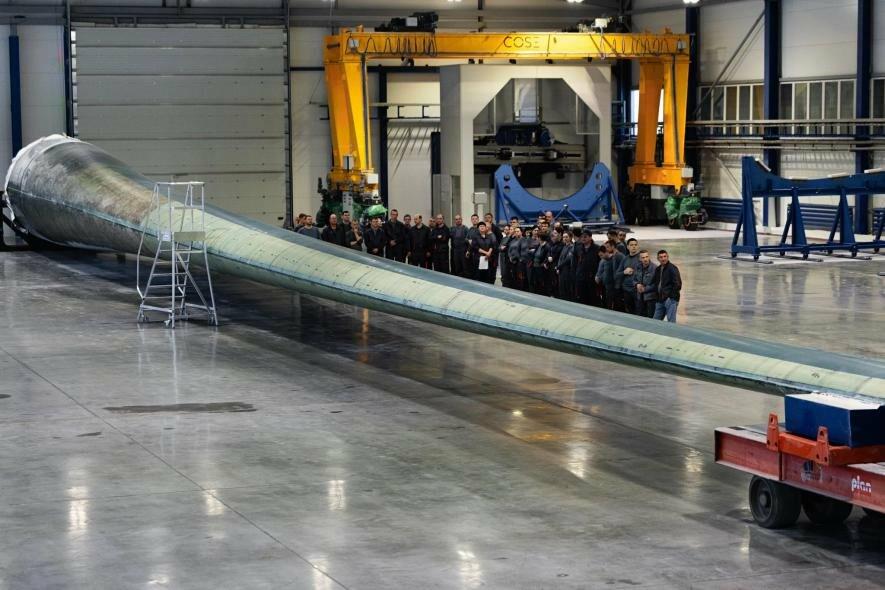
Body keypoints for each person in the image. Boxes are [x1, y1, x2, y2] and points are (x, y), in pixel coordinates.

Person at [652, 249, 682, 322]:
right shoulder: (658, 269)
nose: (663, 259)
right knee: (655, 321)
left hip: (670, 300)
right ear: (658, 259)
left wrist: (670, 297)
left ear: (668, 257)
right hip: (660, 299)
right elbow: (655, 283)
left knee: (671, 321)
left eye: (665, 256)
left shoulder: (672, 268)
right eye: (661, 257)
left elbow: (678, 284)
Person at [574, 230, 600, 306]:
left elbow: (600, 263)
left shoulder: (597, 248)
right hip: (580, 278)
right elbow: (576, 262)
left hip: (592, 279)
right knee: (581, 300)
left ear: (590, 237)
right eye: (582, 237)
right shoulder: (578, 248)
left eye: (585, 237)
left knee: (592, 300)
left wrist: (598, 275)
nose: (583, 238)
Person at [617, 238, 642, 314]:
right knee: (629, 312)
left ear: (638, 246)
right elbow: (617, 274)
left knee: (639, 312)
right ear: (627, 247)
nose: (634, 246)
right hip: (626, 291)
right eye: (631, 245)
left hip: (637, 291)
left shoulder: (642, 258)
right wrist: (624, 272)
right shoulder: (625, 259)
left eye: (635, 245)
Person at [634, 249, 657, 317]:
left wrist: (645, 289)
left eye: (647, 257)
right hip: (639, 297)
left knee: (650, 318)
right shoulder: (637, 267)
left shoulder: (655, 268)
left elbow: (657, 284)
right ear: (640, 259)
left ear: (649, 257)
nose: (645, 259)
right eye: (643, 257)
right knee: (640, 317)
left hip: (650, 298)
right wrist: (636, 284)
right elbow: (633, 279)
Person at [556, 231, 575, 300]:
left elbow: (567, 259)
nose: (565, 238)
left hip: (567, 271)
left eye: (566, 237)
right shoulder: (564, 246)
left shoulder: (572, 247)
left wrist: (558, 267)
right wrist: (558, 267)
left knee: (567, 289)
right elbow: (560, 258)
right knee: (562, 289)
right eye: (564, 237)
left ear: (570, 237)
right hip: (561, 270)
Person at [547, 230, 564, 296]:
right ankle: (552, 294)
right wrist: (549, 257)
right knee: (551, 281)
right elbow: (548, 251)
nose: (553, 235)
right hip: (550, 265)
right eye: (553, 233)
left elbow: (559, 253)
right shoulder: (551, 243)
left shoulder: (561, 244)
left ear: (559, 234)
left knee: (556, 282)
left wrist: (552, 258)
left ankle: (557, 295)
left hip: (557, 265)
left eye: (555, 233)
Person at [465, 214, 481, 278]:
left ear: (478, 220)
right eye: (473, 219)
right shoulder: (470, 229)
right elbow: (466, 238)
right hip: (470, 252)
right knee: (471, 269)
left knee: (478, 270)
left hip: (478, 252)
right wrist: (468, 240)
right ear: (471, 220)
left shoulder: (480, 229)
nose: (474, 220)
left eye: (476, 219)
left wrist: (473, 241)